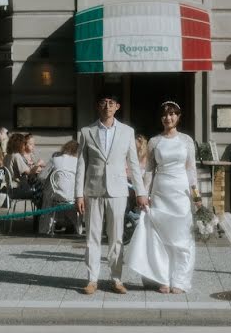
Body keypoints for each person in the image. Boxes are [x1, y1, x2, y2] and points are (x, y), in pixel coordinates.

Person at [74, 92, 148, 295]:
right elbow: (81, 165)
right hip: (93, 190)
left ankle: (116, 278)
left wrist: (141, 192)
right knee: (92, 237)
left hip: (118, 191)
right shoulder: (86, 131)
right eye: (104, 102)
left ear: (117, 107)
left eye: (111, 103)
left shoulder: (127, 132)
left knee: (116, 237)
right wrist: (78, 195)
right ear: (98, 106)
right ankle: (92, 279)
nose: (107, 106)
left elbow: (133, 164)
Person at [124, 101, 200, 294]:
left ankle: (180, 280)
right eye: (165, 115)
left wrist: (196, 195)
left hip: (181, 192)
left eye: (173, 114)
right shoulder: (154, 142)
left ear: (178, 116)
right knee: (160, 237)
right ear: (161, 118)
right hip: (160, 191)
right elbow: (149, 170)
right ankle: (163, 278)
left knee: (182, 237)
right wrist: (144, 194)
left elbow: (191, 169)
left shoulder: (186, 141)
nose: (169, 118)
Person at [38, 139, 79, 235]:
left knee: (48, 191)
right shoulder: (78, 162)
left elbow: (41, 177)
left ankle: (47, 226)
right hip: (73, 196)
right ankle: (72, 225)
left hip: (55, 196)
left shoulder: (55, 159)